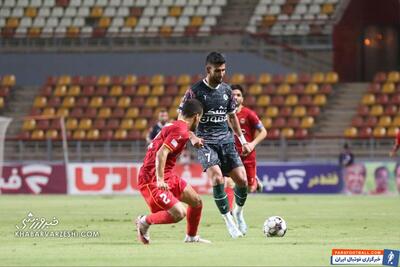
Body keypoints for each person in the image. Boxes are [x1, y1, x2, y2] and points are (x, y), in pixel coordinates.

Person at [179, 52, 251, 238]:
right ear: (208, 69)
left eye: (224, 70)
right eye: (218, 71)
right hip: (205, 143)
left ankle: (238, 213)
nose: (221, 74)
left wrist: (242, 141)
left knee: (243, 181)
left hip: (226, 142)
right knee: (218, 178)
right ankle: (228, 221)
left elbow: (232, 116)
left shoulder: (227, 90)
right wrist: (192, 136)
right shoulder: (194, 91)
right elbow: (181, 120)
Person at [135, 99, 211, 244]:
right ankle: (144, 221)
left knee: (196, 202)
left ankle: (191, 237)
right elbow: (161, 154)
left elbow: (184, 131)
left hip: (167, 173)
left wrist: (193, 137)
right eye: (200, 118)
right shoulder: (180, 130)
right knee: (179, 213)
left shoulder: (175, 125)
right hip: (152, 177)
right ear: (196, 117)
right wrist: (160, 179)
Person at [225, 84, 267, 209]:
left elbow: (264, 132)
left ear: (242, 99)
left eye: (238, 95)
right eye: (233, 95)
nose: (236, 97)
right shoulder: (224, 115)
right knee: (228, 182)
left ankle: (254, 179)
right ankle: (230, 212)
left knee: (249, 188)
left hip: (247, 154)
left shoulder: (249, 114)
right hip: (231, 154)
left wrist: (252, 144)